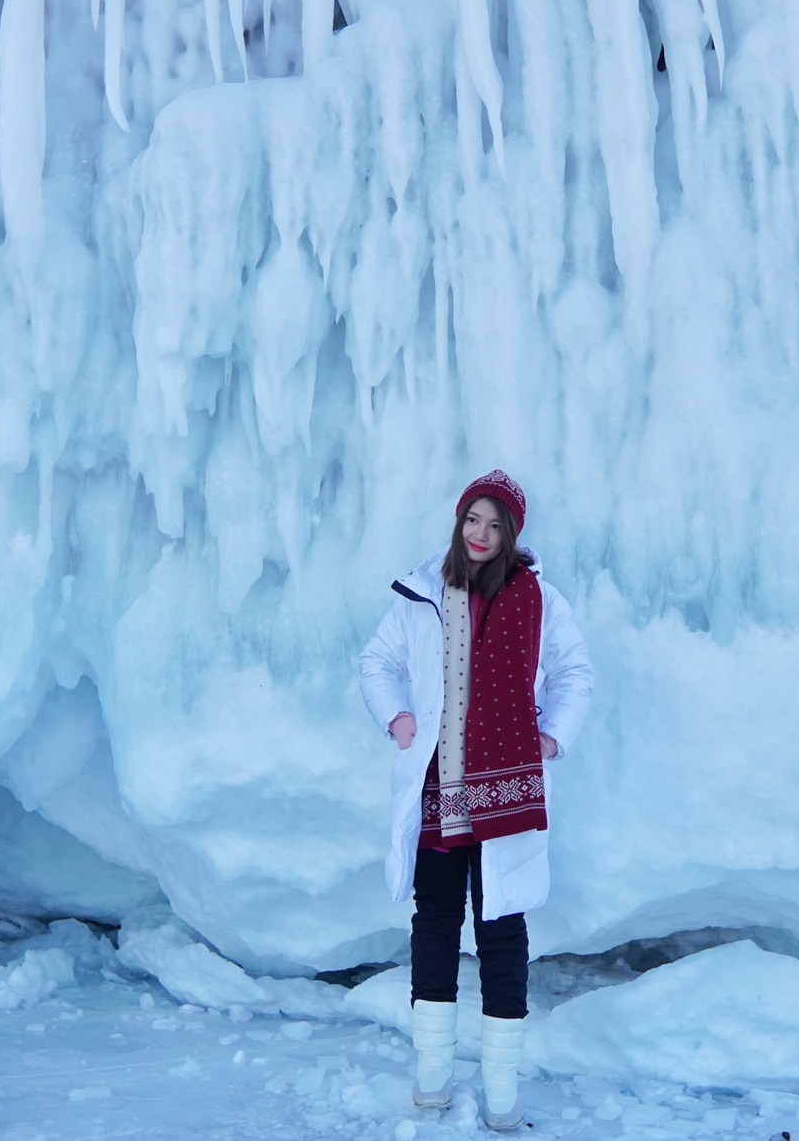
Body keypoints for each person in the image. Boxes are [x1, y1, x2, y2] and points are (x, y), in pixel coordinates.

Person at [358, 470, 593, 1130]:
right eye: (473, 521)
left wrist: (556, 734)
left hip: (508, 791)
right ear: (459, 523)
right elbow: (375, 662)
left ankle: (500, 1082)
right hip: (440, 789)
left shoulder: (538, 598)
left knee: (501, 927)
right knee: (435, 923)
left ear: (512, 533)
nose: (482, 535)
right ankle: (432, 1069)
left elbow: (575, 671)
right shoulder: (423, 593)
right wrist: (397, 719)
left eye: (495, 525)